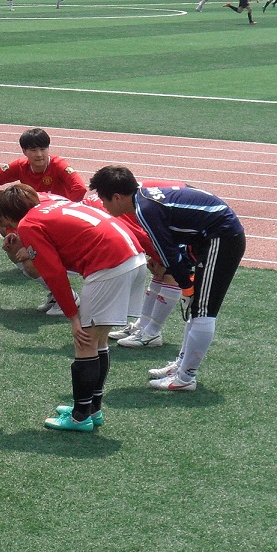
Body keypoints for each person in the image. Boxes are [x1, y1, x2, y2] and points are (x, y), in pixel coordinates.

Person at [0, 184, 147, 431]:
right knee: (98, 340)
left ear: (8, 215)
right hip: (133, 256)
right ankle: (92, 408)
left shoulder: (28, 224)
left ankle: (80, 416)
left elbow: (54, 274)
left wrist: (73, 316)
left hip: (110, 263)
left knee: (84, 341)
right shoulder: (50, 201)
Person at [89, 166, 245, 392]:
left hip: (221, 238)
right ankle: (182, 366)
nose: (104, 206)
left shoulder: (145, 209)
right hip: (208, 237)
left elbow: (169, 253)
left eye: (104, 200)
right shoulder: (143, 199)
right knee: (197, 309)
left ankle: (186, 377)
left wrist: (186, 285)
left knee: (203, 311)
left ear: (117, 197)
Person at [0, 128, 86, 202]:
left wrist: (66, 208)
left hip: (56, 214)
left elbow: (80, 188)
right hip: (34, 214)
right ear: (24, 151)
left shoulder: (58, 165)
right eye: (33, 150)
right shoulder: (20, 166)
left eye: (43, 149)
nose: (39, 154)